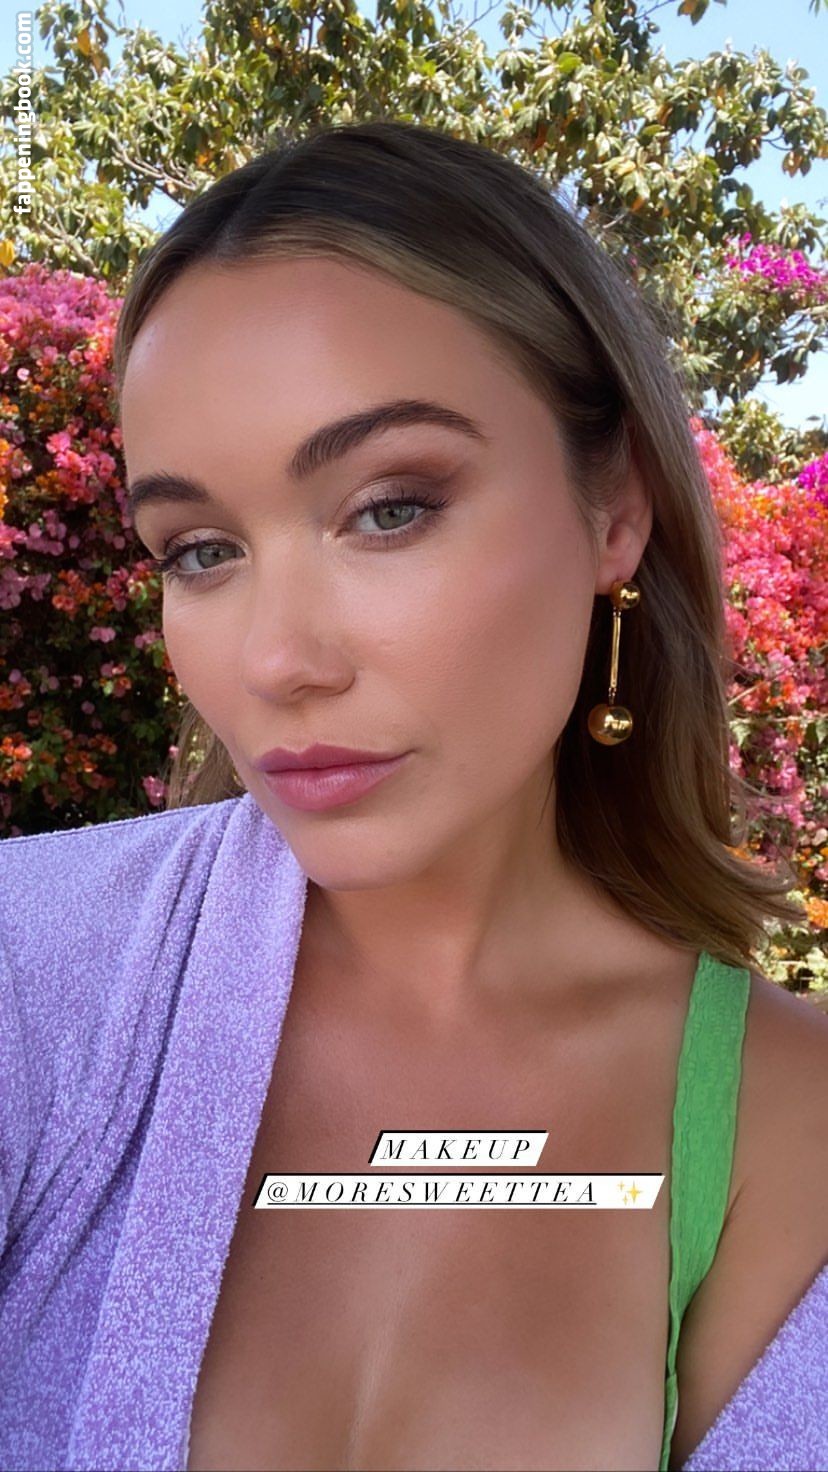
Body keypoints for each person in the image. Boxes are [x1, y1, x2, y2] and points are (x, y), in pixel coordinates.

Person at [0, 119, 826, 1472]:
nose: (279, 661)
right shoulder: (38, 976)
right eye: (199, 549)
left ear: (616, 508)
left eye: (389, 508)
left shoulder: (800, 1129)